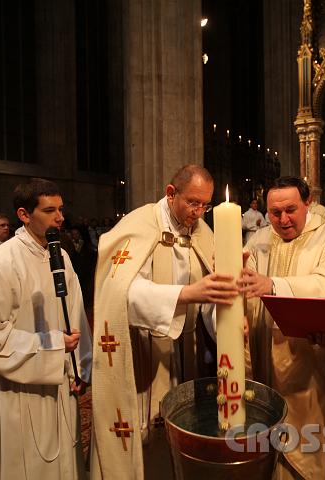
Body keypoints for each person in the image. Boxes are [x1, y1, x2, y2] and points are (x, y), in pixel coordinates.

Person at [90, 164, 238, 479]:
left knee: (185, 432)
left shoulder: (203, 232)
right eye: (193, 203)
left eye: (206, 205)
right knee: (148, 438)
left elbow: (210, 297)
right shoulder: (139, 225)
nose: (199, 212)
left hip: (190, 351)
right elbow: (121, 297)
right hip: (146, 352)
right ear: (171, 193)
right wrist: (185, 294)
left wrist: (228, 315)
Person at [0, 178, 92, 479]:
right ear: (24, 214)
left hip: (61, 380)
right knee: (26, 465)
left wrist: (80, 369)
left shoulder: (60, 256)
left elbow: (75, 317)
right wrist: (51, 343)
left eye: (61, 209)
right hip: (19, 385)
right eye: (49, 210)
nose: (60, 217)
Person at [240, 176, 325, 479]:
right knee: (268, 435)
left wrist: (274, 284)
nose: (283, 219)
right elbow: (245, 285)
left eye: (291, 210)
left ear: (308, 204)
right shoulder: (259, 239)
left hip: (310, 362)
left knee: (312, 443)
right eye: (275, 213)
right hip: (265, 355)